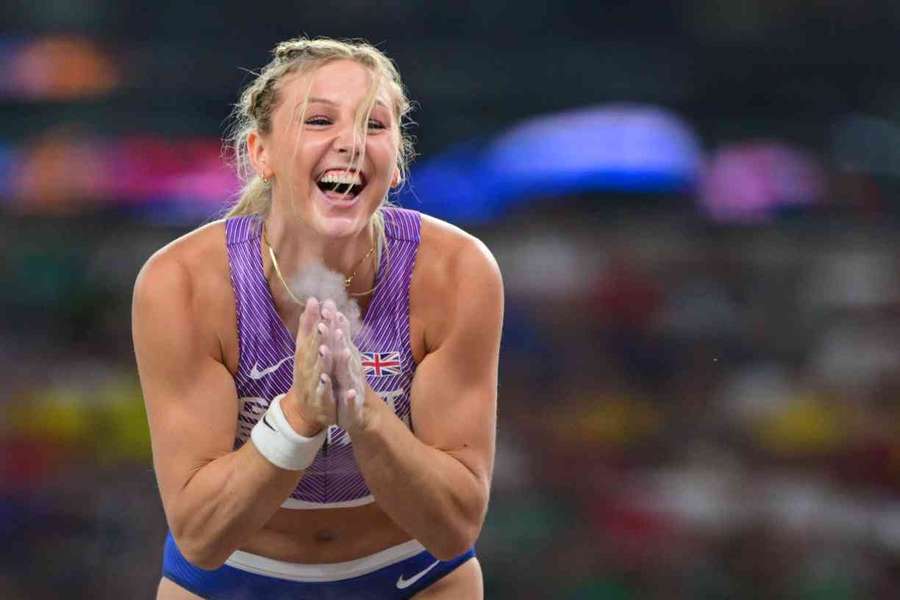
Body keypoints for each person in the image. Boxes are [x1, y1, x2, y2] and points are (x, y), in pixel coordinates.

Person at [131, 37, 503, 599]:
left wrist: (367, 414)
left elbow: (455, 527)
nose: (351, 143)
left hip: (413, 576)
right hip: (235, 582)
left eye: (374, 126)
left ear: (396, 163)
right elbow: (201, 536)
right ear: (262, 153)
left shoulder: (455, 273)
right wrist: (300, 416)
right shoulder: (182, 283)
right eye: (319, 120)